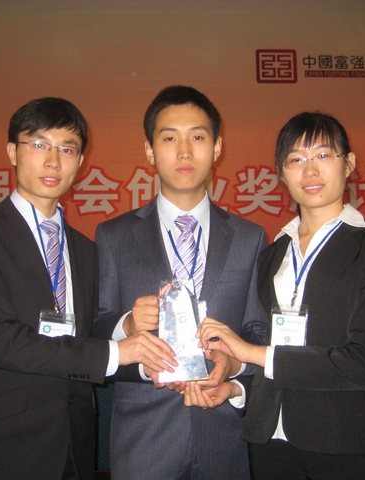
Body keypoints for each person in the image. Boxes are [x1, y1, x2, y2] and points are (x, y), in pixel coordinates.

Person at [0, 97, 176, 480]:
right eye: (39, 144)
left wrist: (147, 350)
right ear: (12, 152)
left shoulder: (85, 250)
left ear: (80, 162)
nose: (53, 161)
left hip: (74, 445)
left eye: (67, 149)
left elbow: (88, 342)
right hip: (4, 446)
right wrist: (117, 351)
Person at [196, 112, 365, 480]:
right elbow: (273, 350)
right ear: (282, 174)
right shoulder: (271, 254)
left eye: (323, 155)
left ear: (349, 164)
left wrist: (248, 351)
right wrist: (234, 388)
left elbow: (362, 364)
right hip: (269, 442)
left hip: (346, 441)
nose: (309, 170)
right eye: (295, 159)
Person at [92, 86, 268, 480]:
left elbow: (257, 331)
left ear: (217, 147)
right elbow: (96, 329)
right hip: (145, 441)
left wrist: (233, 365)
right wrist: (128, 327)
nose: (185, 151)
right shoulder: (114, 236)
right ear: (150, 150)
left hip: (223, 434)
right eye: (170, 138)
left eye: (198, 137)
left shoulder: (250, 237)